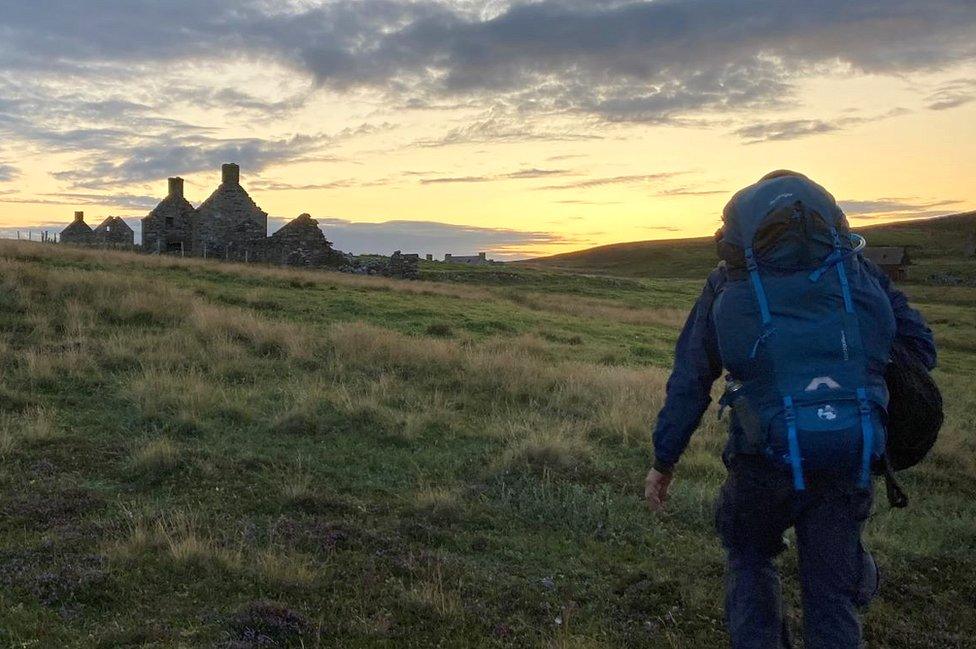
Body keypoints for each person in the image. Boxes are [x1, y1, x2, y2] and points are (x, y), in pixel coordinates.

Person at [644, 171, 936, 648]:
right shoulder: (858, 274)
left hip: (762, 460)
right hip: (848, 455)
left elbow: (691, 381)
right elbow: (921, 349)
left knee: (749, 554)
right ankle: (853, 576)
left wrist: (664, 461)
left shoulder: (726, 285)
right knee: (831, 596)